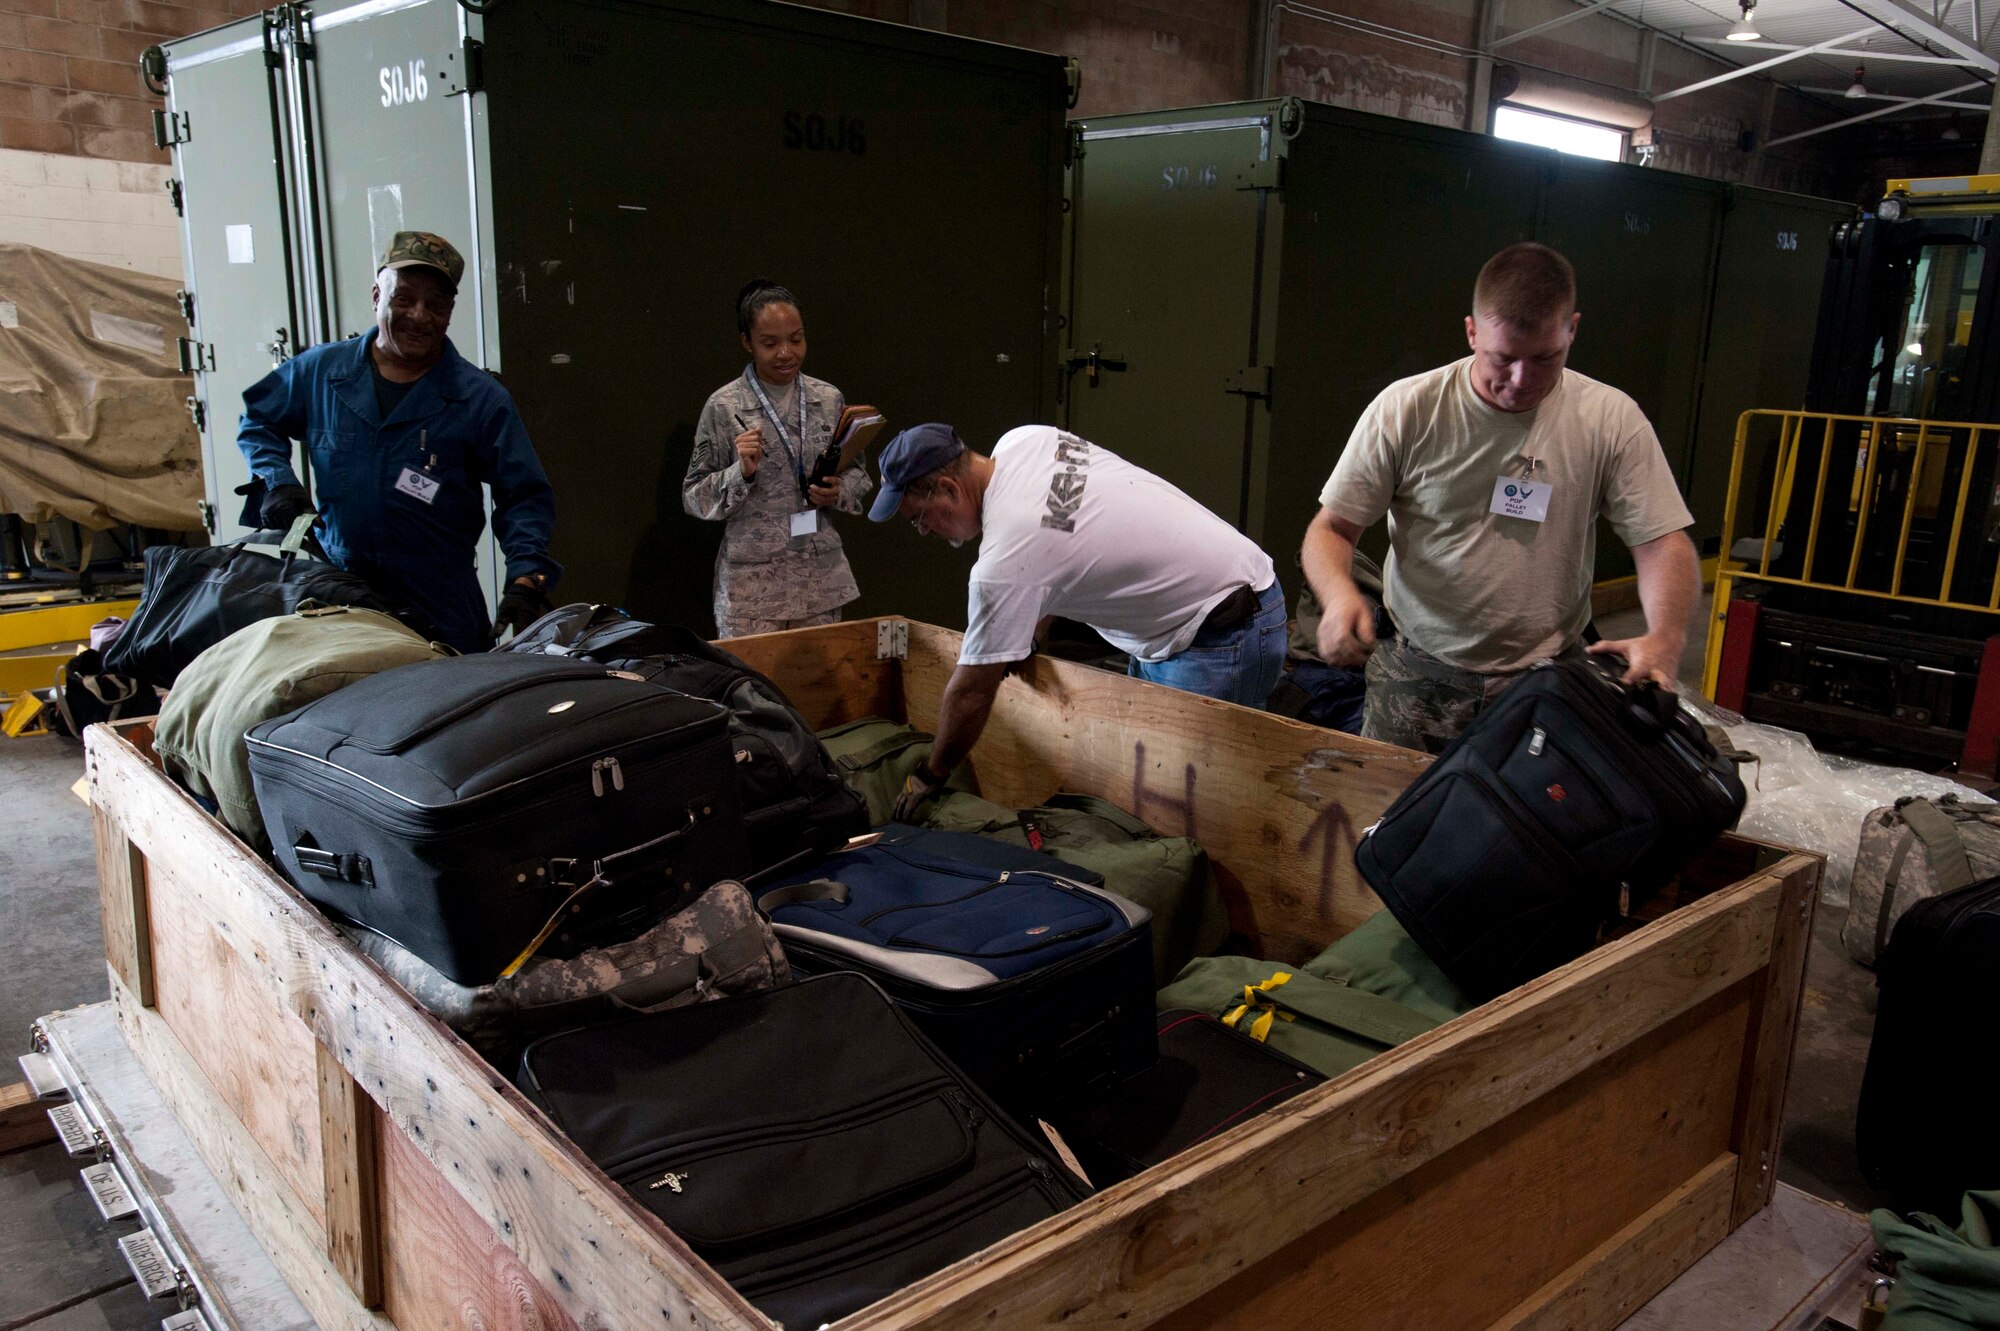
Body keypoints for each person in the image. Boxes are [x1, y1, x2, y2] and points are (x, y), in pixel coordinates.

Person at [1301, 242, 1698, 754]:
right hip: (1419, 670)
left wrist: (1667, 636)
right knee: (1393, 821)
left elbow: (1662, 541)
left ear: (1572, 329)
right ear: (1471, 332)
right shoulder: (1408, 410)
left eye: (1546, 358)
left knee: (1538, 828)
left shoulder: (1609, 419)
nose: (1521, 380)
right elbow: (1331, 529)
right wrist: (1337, 596)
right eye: (1502, 358)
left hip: (1548, 677)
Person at [870, 422, 1285, 820]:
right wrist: (1029, 628)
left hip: (1220, 630)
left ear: (947, 488)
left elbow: (971, 695)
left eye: (918, 517)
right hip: (1204, 602)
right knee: (1154, 790)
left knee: (1203, 810)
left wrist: (932, 774)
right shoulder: (1026, 441)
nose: (923, 531)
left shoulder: (1003, 560)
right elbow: (1065, 527)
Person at [237, 231, 559, 654]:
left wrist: (526, 577)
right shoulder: (321, 373)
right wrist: (276, 480)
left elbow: (524, 495)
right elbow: (258, 418)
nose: (419, 316)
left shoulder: (477, 399)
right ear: (377, 295)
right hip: (340, 595)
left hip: (439, 604)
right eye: (403, 298)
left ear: (450, 311)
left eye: (436, 304)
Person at [683, 280, 872, 638]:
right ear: (747, 342)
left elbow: (859, 474)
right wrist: (740, 474)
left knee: (818, 689)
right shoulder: (724, 407)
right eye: (770, 343)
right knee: (753, 690)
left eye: (796, 339)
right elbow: (693, 496)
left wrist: (838, 491)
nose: (786, 352)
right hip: (752, 592)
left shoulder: (827, 399)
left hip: (818, 581)